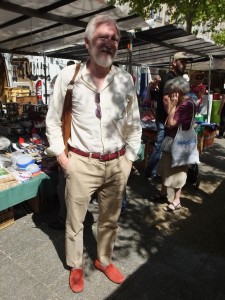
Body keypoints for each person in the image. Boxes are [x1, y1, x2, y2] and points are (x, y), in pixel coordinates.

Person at [45, 15, 142, 293]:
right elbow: (52, 121)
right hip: (80, 163)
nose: (109, 43)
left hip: (116, 164)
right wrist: (63, 158)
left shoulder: (124, 80)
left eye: (114, 38)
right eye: (103, 37)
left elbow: (134, 123)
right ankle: (76, 265)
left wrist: (130, 159)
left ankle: (103, 259)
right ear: (87, 43)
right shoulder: (69, 76)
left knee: (110, 219)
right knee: (75, 221)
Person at [145, 52, 191, 180]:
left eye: (185, 62)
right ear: (174, 62)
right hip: (164, 119)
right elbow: (166, 99)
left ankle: (158, 171)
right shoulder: (169, 77)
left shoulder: (177, 77)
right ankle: (150, 172)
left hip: (169, 118)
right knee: (160, 147)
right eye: (182, 61)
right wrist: (172, 117)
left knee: (165, 147)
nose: (184, 64)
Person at [157, 76, 196, 211]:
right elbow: (170, 117)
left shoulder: (185, 105)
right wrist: (172, 105)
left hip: (179, 143)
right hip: (173, 140)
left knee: (177, 171)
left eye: (172, 91)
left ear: (179, 90)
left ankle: (177, 200)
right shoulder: (185, 102)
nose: (170, 93)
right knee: (166, 168)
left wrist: (172, 105)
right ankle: (163, 193)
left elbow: (171, 123)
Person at [48, 60, 75, 231]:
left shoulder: (67, 103)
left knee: (65, 188)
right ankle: (67, 218)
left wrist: (61, 154)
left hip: (69, 151)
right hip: (68, 150)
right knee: (65, 187)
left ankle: (64, 218)